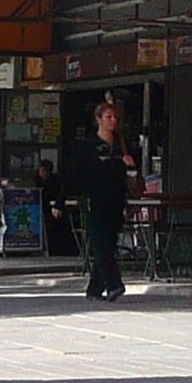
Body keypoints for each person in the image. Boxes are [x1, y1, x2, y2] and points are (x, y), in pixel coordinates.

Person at [80, 101, 136, 301]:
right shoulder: (89, 145)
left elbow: (128, 176)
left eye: (115, 117)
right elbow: (77, 173)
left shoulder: (121, 144)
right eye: (108, 117)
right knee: (102, 244)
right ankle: (114, 284)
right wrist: (60, 202)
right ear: (98, 120)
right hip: (96, 201)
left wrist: (128, 165)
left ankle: (94, 290)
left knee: (109, 244)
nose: (113, 121)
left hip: (116, 201)